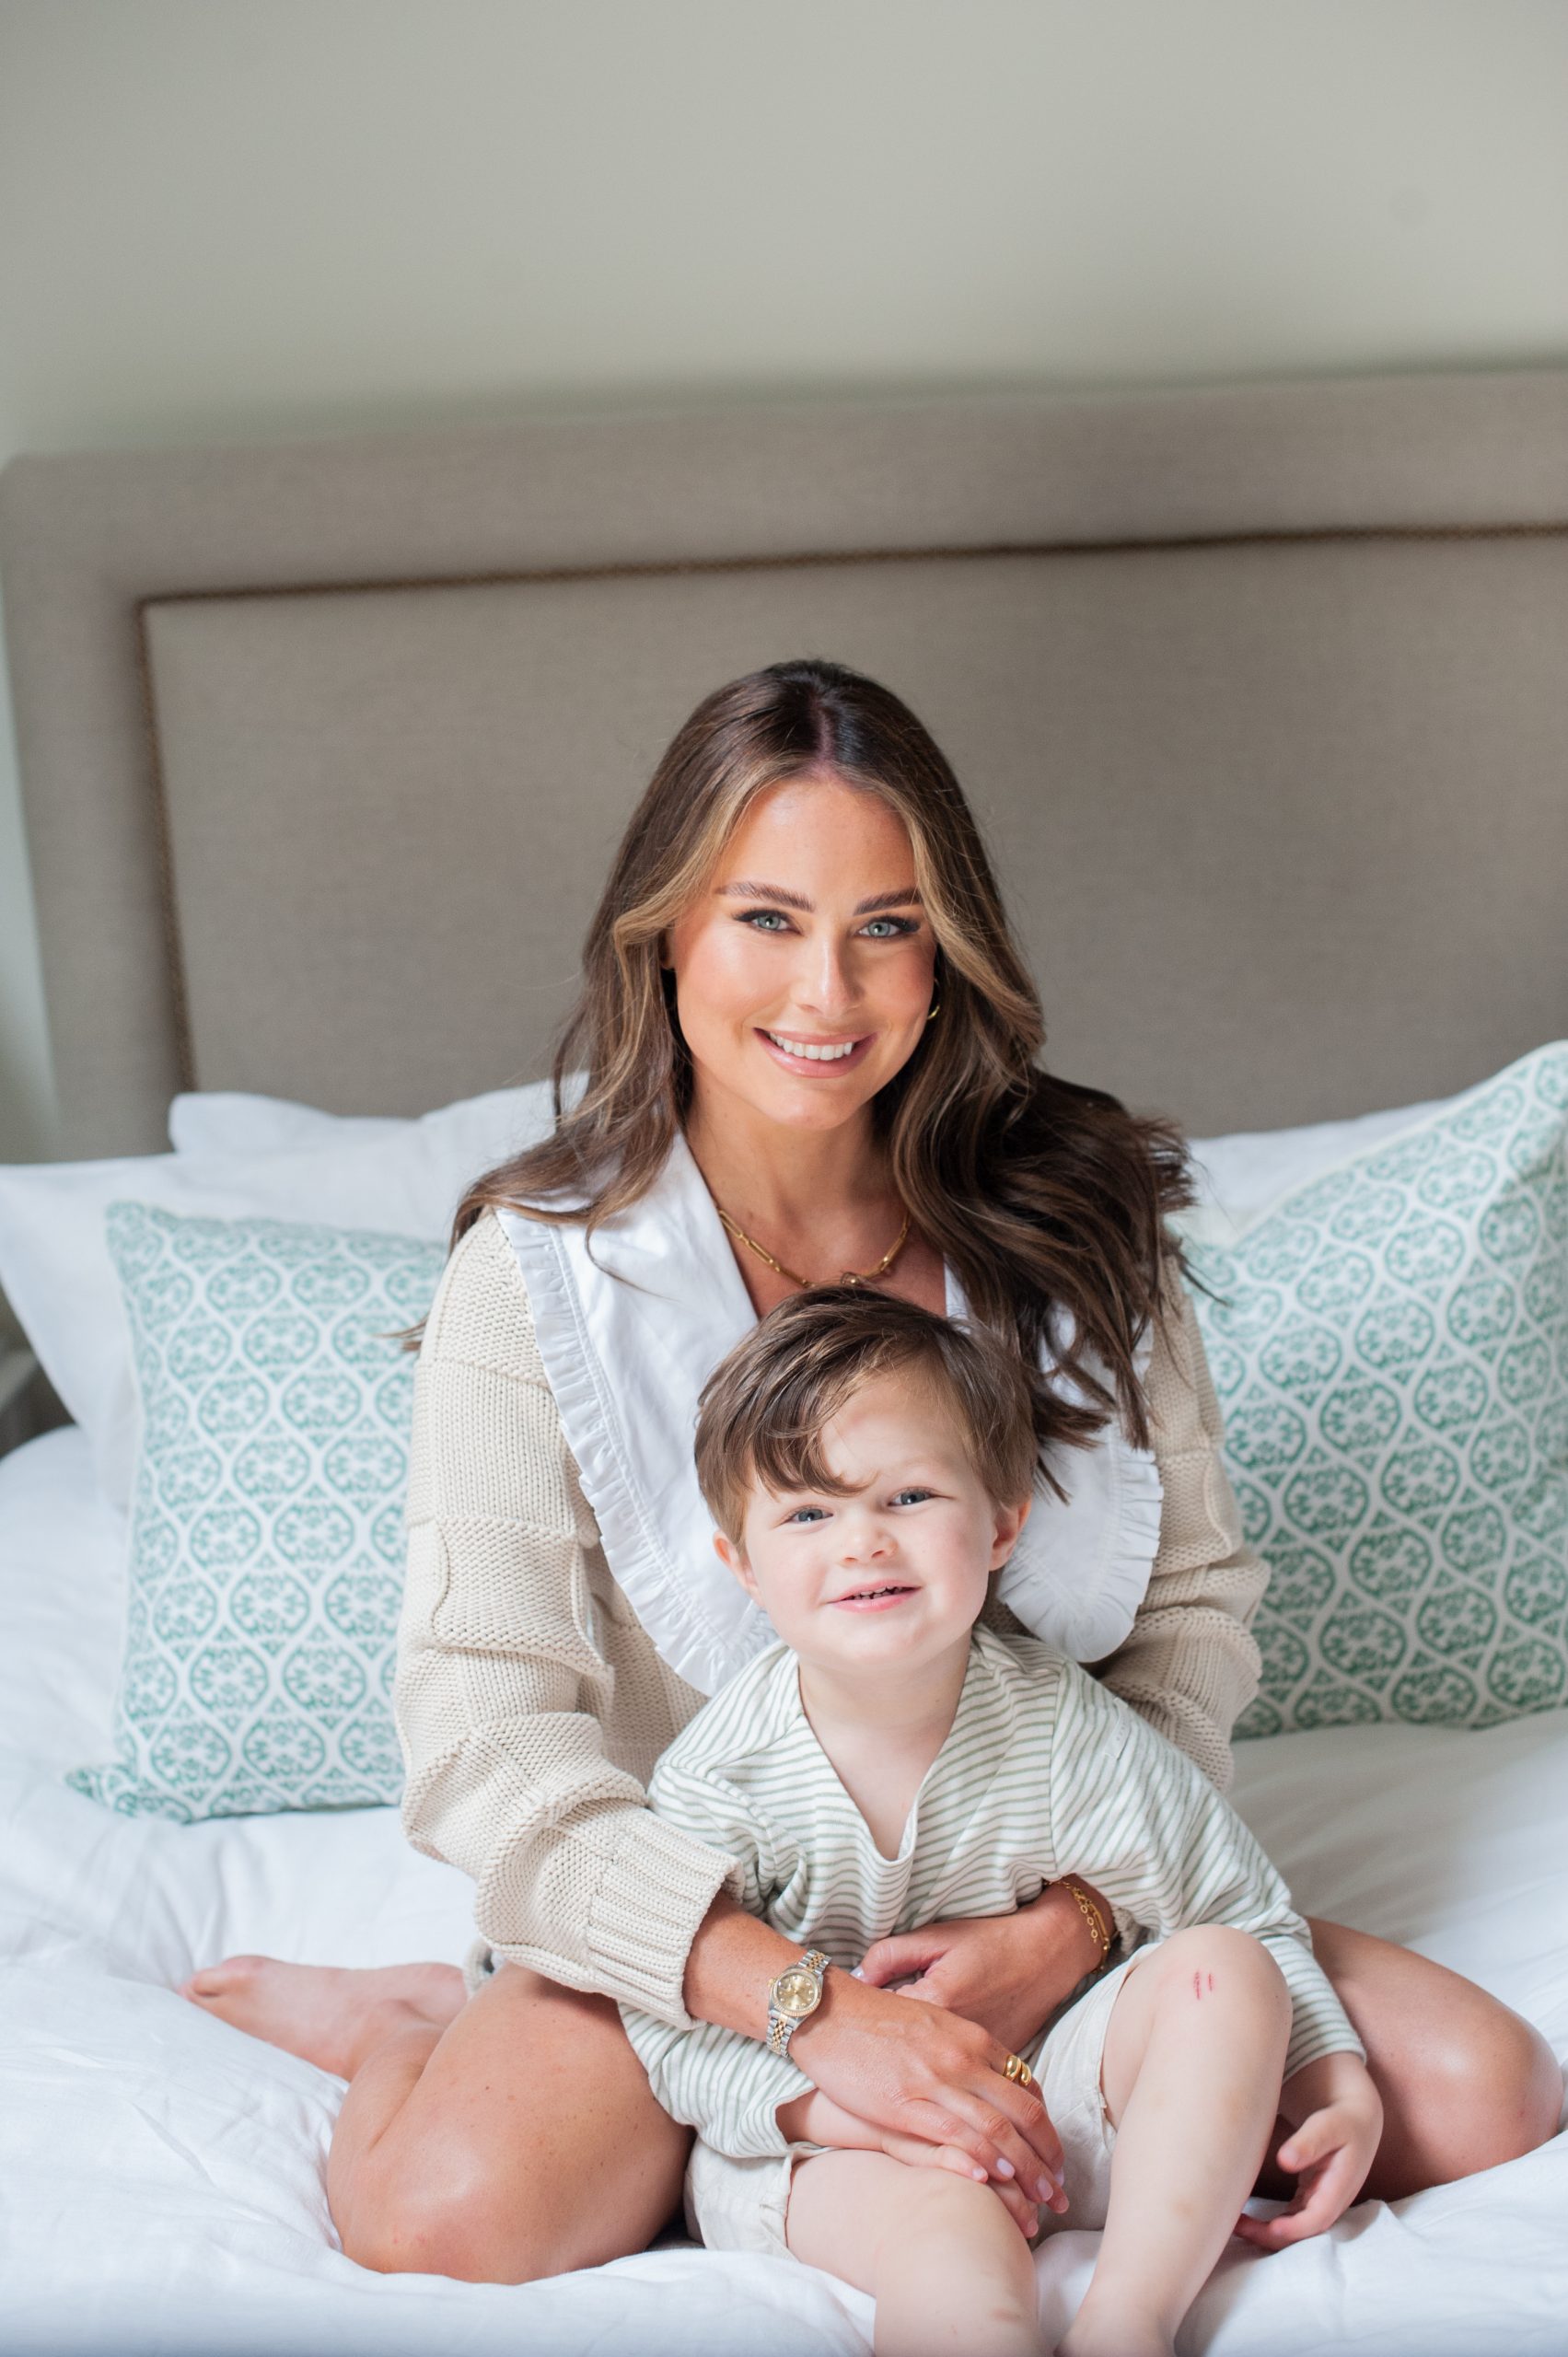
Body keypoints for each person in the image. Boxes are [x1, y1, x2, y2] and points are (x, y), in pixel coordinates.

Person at [181, 657, 1560, 2284]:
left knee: (1481, 2095)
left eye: (884, 926)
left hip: (1034, 1878)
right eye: (766, 919)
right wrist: (806, 2009)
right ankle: (412, 2027)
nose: (825, 993)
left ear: (945, 950)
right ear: (664, 935)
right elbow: (484, 1741)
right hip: (704, 1927)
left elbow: (1187, 1612)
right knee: (451, 2221)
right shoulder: (540, 1279)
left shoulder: (1080, 1225)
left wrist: (1067, 1926)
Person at [621, 1283, 1382, 2357]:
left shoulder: (1059, 1725)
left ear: (1000, 1524)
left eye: (909, 1495)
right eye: (808, 1513)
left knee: (1220, 1968)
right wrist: (843, 2112)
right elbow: (669, 2031)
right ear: (741, 1565)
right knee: (952, 2235)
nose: (863, 1542)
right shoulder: (720, 1776)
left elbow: (1235, 1903)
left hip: (1041, 2096)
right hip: (827, 2141)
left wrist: (1333, 2077)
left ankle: (1129, 2318)